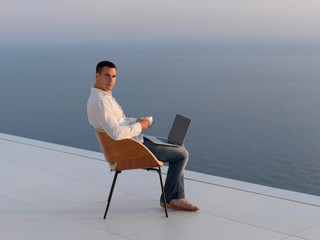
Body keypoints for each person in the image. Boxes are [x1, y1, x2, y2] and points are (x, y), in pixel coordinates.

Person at [87, 61, 199, 211]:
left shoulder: (103, 98)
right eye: (107, 75)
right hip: (131, 149)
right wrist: (141, 126)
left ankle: (177, 197)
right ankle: (169, 199)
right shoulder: (100, 102)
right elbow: (116, 133)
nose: (111, 80)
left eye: (114, 76)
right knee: (182, 154)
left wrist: (136, 121)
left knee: (178, 146)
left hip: (133, 144)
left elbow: (120, 122)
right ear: (97, 76)